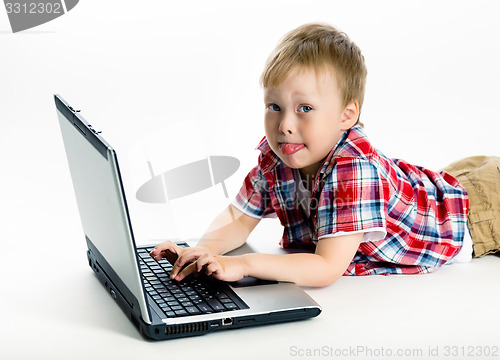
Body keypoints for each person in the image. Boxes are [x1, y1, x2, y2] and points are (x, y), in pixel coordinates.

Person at [150, 23, 500, 287]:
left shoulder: (352, 169)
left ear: (346, 116)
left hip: (478, 215)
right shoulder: (278, 157)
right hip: (447, 184)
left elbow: (326, 267)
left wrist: (242, 265)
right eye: (274, 106)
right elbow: (239, 218)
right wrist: (201, 252)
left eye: (304, 108)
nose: (284, 124)